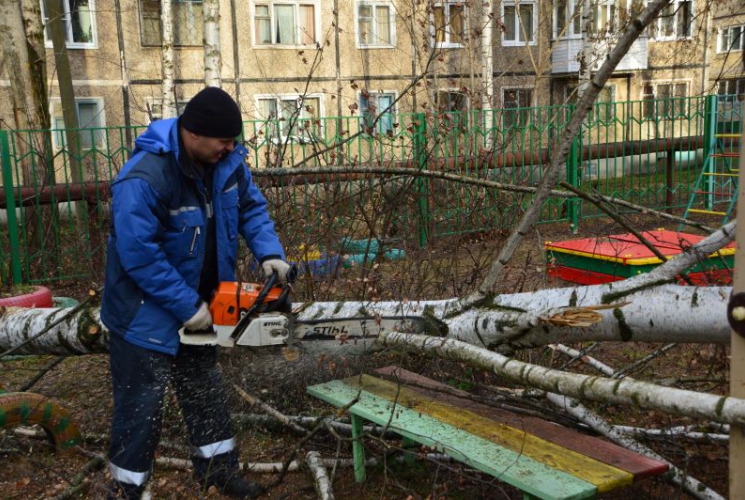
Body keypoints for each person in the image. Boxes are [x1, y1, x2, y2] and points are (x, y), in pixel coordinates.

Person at [100, 87, 290, 499]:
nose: (231, 147)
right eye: (224, 140)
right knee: (141, 408)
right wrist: (187, 306)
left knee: (204, 390)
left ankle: (218, 471)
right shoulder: (146, 176)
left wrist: (271, 254)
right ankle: (126, 490)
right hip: (144, 314)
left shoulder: (226, 165)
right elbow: (139, 254)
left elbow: (251, 208)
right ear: (194, 134)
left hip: (202, 303)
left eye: (233, 140)